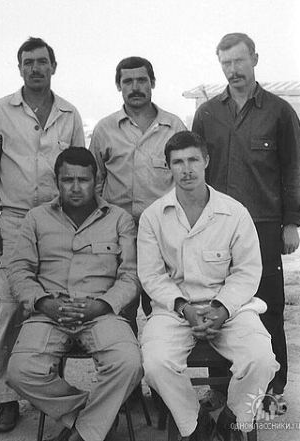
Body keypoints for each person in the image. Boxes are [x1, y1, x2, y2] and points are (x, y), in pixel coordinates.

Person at [0, 37, 85, 432]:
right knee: (10, 309)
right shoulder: (0, 111)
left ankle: (46, 385)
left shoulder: (70, 113)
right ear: (19, 68)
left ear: (54, 66)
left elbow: (80, 172)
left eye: (42, 62)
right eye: (28, 63)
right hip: (16, 221)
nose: (35, 69)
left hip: (57, 220)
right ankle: (6, 398)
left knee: (55, 300)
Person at [138, 131, 278, 440]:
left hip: (230, 308)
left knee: (262, 358)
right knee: (155, 363)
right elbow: (152, 275)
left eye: (193, 160)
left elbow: (246, 272)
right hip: (174, 310)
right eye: (178, 162)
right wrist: (184, 308)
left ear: (206, 162)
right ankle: (195, 422)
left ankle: (232, 418)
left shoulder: (234, 213)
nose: (186, 169)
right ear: (168, 166)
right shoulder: (153, 217)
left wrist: (221, 309)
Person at [192, 32, 300, 412]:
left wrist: (292, 222)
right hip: (217, 228)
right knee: (221, 304)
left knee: (267, 306)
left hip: (265, 226)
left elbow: (293, 168)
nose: (233, 70)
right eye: (226, 63)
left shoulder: (279, 112)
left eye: (239, 61)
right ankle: (223, 388)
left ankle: (273, 387)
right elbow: (195, 169)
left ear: (255, 58)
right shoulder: (207, 113)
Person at [6, 147, 143, 441]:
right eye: (68, 180)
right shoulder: (36, 218)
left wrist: (103, 305)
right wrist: (44, 302)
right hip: (49, 313)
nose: (77, 187)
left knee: (129, 364)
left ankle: (82, 432)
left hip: (100, 312)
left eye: (84, 179)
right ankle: (91, 418)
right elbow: (18, 270)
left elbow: (130, 275)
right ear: (57, 181)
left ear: (96, 181)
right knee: (19, 372)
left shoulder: (119, 219)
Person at [89, 56, 186, 320]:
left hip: (164, 234)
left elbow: (186, 182)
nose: (135, 87)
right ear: (118, 86)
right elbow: (94, 183)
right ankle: (129, 361)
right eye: (127, 81)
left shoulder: (173, 127)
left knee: (164, 307)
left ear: (152, 82)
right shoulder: (104, 129)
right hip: (117, 237)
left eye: (142, 80)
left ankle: (160, 360)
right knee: (120, 310)